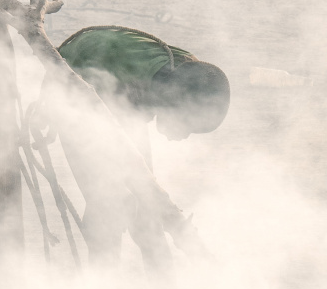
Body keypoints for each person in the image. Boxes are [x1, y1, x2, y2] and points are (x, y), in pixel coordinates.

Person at [41, 24, 230, 265]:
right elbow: (111, 149)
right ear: (173, 105)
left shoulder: (186, 72)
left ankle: (162, 280)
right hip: (80, 81)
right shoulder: (128, 91)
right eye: (187, 127)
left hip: (118, 80)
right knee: (106, 205)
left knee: (147, 211)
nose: (183, 137)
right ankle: (104, 278)